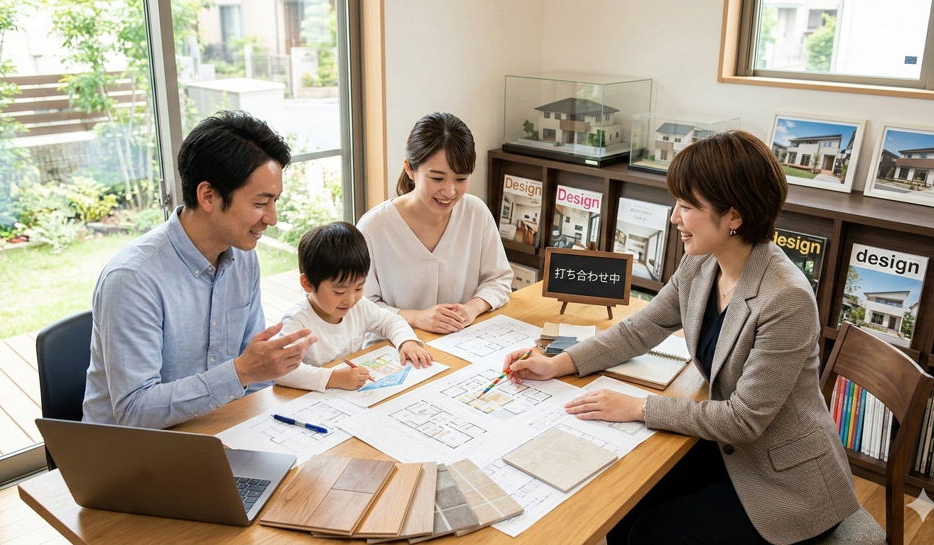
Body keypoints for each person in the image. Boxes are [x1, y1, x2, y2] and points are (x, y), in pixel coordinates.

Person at [504, 131, 858, 545]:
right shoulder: (703, 263)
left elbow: (744, 420)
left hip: (786, 484)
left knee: (645, 533)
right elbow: (643, 327)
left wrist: (639, 407)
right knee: (620, 508)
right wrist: (557, 363)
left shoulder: (787, 298)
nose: (674, 218)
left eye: (688, 206)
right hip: (729, 455)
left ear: (735, 217)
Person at [83, 110, 317, 429]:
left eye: (275, 201)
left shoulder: (243, 258)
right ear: (208, 196)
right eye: (261, 203)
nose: (272, 218)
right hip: (134, 453)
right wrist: (242, 372)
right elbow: (134, 411)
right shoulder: (133, 279)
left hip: (217, 429)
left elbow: (258, 375)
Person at [357, 112, 512, 334]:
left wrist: (472, 308)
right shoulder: (373, 227)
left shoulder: (475, 212)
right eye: (437, 178)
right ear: (410, 169)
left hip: (462, 338)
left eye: (461, 179)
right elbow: (362, 305)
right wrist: (416, 318)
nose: (449, 191)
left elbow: (499, 278)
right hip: (395, 345)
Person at [274, 221, 432, 392]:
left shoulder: (359, 306)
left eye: (358, 287)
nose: (350, 299)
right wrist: (333, 378)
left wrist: (407, 341)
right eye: (339, 292)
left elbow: (390, 321)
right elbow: (281, 371)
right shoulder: (297, 321)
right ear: (307, 283)